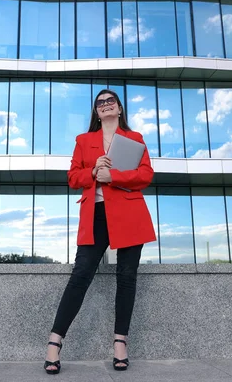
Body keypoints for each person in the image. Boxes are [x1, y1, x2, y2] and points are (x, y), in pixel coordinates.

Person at [43, 89, 156, 374]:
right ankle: (54, 343)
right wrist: (93, 171)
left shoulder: (135, 139)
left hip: (129, 213)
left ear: (119, 108)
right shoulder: (84, 141)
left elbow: (145, 175)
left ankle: (120, 343)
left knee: (127, 277)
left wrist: (113, 176)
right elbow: (72, 177)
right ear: (96, 111)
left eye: (110, 102)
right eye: (100, 103)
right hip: (96, 214)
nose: (106, 105)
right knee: (80, 275)